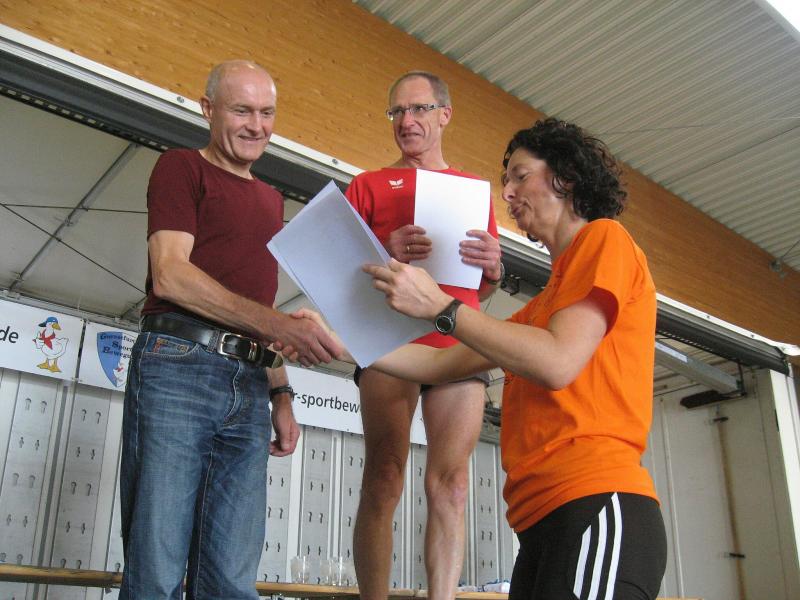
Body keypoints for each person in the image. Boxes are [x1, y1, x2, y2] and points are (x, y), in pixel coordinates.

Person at [362, 118, 668, 600]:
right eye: (506, 181)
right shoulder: (538, 310)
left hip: (594, 502)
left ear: (565, 178)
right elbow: (437, 366)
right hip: (538, 523)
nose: (507, 193)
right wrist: (340, 341)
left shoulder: (604, 238)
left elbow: (557, 362)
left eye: (520, 176)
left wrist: (442, 307)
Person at [119, 60, 341, 600]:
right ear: (208, 109)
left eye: (267, 113)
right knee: (157, 568)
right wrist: (277, 324)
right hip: (178, 365)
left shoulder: (271, 200)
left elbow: (257, 307)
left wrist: (281, 393)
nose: (256, 125)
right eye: (242, 110)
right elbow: (171, 275)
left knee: (231, 578)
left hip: (250, 382)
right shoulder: (181, 167)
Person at [345, 71, 502, 600]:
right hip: (390, 343)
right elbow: (340, 276)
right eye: (397, 112)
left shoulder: (473, 191)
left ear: (445, 115)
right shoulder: (366, 185)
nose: (406, 121)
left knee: (452, 484)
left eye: (418, 109)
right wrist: (381, 249)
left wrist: (496, 267)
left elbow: (482, 283)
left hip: (456, 344)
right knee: (384, 477)